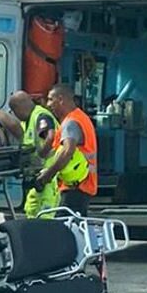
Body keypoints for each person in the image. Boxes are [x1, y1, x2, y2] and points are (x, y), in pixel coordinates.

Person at [36, 84, 97, 216]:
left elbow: (67, 150)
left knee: (64, 228)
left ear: (61, 99)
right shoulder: (81, 118)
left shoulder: (71, 122)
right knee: (76, 229)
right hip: (82, 185)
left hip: (75, 186)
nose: (48, 104)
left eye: (51, 99)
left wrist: (49, 174)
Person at [8, 91, 60, 219]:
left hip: (50, 175)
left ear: (19, 108)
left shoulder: (40, 116)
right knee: (31, 209)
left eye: (14, 112)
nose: (16, 116)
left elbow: (50, 137)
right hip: (38, 176)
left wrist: (42, 154)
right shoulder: (27, 121)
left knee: (46, 214)